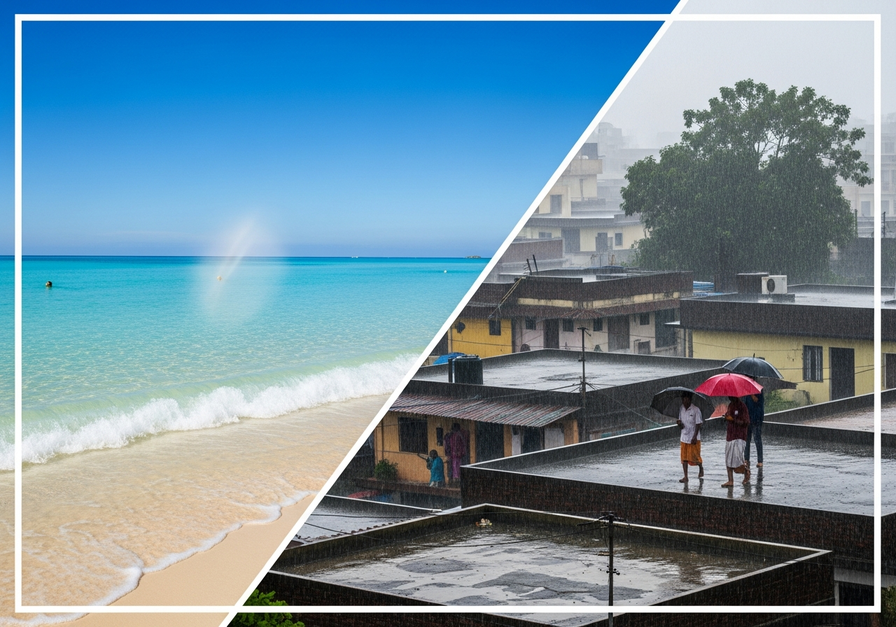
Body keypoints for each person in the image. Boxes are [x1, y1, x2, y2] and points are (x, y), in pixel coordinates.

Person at [722, 395, 751, 487]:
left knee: (738, 459)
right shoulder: (730, 405)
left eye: (731, 396)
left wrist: (733, 420)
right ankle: (730, 480)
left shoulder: (742, 407)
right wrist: (726, 417)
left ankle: (746, 471)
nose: (729, 398)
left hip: (739, 436)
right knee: (728, 459)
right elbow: (729, 416)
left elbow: (746, 422)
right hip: (730, 435)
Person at [676, 391, 704, 483]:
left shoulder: (696, 410)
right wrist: (679, 424)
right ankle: (685, 476)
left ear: (690, 399)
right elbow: (680, 423)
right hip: (684, 436)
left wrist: (695, 436)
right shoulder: (681, 409)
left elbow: (698, 424)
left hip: (693, 437)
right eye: (683, 400)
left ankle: (700, 467)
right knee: (684, 458)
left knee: (695, 457)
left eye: (687, 399)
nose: (685, 401)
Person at [744, 389, 765, 468]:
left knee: (757, 440)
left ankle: (760, 461)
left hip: (757, 419)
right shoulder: (745, 392)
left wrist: (752, 394)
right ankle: (746, 459)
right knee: (746, 440)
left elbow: (758, 401)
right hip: (748, 419)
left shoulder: (759, 390)